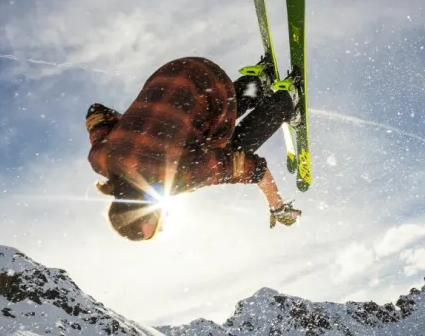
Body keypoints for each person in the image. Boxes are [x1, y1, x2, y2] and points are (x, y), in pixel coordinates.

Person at [86, 57, 303, 241]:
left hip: (215, 84)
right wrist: (142, 129)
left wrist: (278, 207)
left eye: (156, 225)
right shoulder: (101, 159)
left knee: (230, 148)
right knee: (196, 130)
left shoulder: (180, 175)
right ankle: (257, 83)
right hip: (174, 71)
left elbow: (253, 168)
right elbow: (95, 111)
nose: (163, 223)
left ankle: (285, 101)